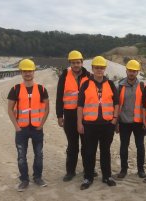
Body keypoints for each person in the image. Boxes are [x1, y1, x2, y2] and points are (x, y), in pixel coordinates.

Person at [7, 59, 49, 191]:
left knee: (39, 154)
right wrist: (17, 127)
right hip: (22, 129)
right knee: (21, 156)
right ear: (21, 72)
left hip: (37, 128)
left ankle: (37, 177)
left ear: (33, 72)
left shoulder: (41, 89)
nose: (27, 73)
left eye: (30, 71)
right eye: (25, 71)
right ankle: (24, 180)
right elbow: (10, 109)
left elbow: (47, 108)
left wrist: (41, 124)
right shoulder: (15, 89)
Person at [77, 56, 119, 190]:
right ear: (92, 69)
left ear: (104, 69)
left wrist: (114, 119)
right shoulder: (86, 84)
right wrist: (79, 123)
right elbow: (80, 106)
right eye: (97, 68)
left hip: (107, 125)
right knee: (90, 152)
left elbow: (117, 103)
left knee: (105, 151)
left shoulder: (111, 84)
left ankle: (107, 176)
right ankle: (88, 177)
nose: (99, 70)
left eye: (101, 68)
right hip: (90, 125)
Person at [56, 50, 92, 181]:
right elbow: (59, 96)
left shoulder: (89, 76)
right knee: (72, 145)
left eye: (78, 62)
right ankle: (70, 171)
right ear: (70, 63)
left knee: (86, 145)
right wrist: (60, 115)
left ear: (82, 62)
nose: (76, 65)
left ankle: (88, 170)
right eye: (73, 63)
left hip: (85, 115)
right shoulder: (64, 76)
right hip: (70, 115)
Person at [116, 59, 146, 179]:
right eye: (130, 70)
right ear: (126, 70)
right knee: (124, 146)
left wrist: (145, 121)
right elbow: (117, 105)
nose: (132, 73)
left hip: (138, 122)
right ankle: (124, 169)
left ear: (138, 72)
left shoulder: (142, 86)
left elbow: (145, 106)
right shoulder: (120, 85)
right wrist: (116, 122)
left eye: (134, 71)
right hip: (124, 122)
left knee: (140, 146)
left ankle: (141, 169)